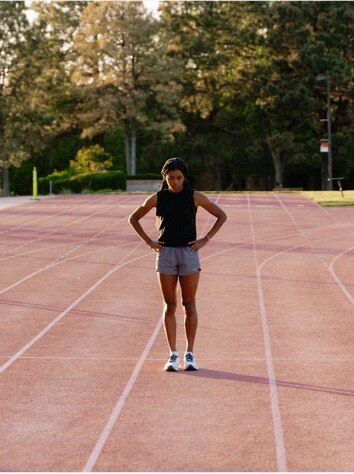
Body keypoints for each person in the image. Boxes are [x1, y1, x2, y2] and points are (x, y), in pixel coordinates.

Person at [128, 158, 227, 372]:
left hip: (189, 253)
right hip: (165, 255)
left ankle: (190, 354)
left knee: (189, 305)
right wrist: (148, 242)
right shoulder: (158, 198)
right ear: (164, 178)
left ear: (185, 177)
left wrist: (205, 239)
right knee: (170, 305)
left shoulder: (194, 197)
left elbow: (221, 215)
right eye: (170, 178)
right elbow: (133, 218)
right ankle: (173, 355)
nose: (175, 182)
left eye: (179, 178)